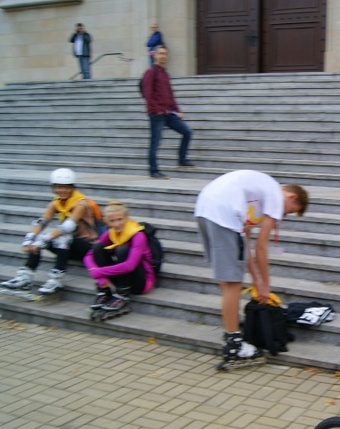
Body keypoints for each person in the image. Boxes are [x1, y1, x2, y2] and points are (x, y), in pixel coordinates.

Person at [194, 170, 308, 367]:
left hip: (205, 207)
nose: (283, 215)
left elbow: (244, 241)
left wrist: (256, 280)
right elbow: (260, 247)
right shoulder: (274, 194)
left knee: (227, 281)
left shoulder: (257, 194)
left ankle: (231, 333)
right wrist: (265, 286)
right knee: (233, 284)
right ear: (291, 196)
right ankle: (234, 346)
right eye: (289, 211)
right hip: (222, 213)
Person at [1, 168, 102, 296]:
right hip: (69, 246)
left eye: (66, 187)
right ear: (53, 188)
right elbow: (41, 222)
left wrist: (45, 239)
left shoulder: (81, 203)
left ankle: (56, 279)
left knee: (60, 238)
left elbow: (68, 226)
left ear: (72, 187)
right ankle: (25, 277)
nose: (62, 190)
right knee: (38, 239)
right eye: (59, 187)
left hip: (88, 247)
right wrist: (29, 239)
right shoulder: (56, 203)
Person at [83, 201, 156, 317]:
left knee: (122, 250)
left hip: (141, 282)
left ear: (127, 218)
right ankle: (105, 291)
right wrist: (99, 277)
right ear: (106, 221)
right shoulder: (110, 233)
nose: (116, 224)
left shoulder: (138, 235)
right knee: (98, 247)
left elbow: (130, 265)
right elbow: (88, 256)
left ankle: (123, 294)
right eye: (112, 221)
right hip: (122, 276)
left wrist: (98, 272)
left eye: (120, 219)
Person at [142, 45, 193, 179]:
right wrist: (155, 109)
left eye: (165, 54)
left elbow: (170, 95)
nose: (163, 56)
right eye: (160, 53)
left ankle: (182, 160)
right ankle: (154, 171)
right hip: (157, 114)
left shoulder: (165, 74)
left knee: (187, 132)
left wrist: (177, 110)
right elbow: (147, 94)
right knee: (155, 142)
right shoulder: (150, 72)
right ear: (155, 55)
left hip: (168, 113)